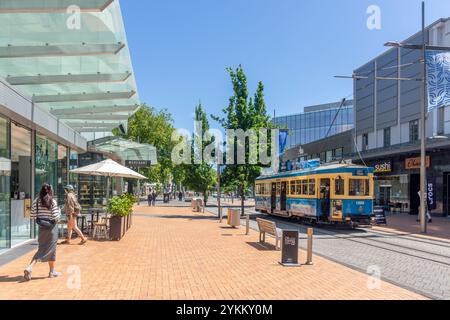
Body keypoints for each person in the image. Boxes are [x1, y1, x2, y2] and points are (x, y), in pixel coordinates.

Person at [24, 184, 62, 281]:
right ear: (50, 191)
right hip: (52, 229)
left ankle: (52, 271)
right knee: (48, 249)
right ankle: (30, 267)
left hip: (41, 228)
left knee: (44, 248)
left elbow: (32, 215)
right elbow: (56, 217)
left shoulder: (36, 201)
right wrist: (59, 211)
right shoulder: (53, 201)